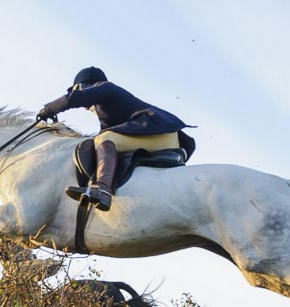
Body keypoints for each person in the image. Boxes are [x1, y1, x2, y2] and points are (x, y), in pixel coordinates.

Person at [37, 67, 193, 211]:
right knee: (103, 138)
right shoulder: (111, 108)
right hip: (170, 138)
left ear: (83, 85)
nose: (86, 107)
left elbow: (75, 98)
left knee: (103, 139)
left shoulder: (105, 87)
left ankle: (103, 189)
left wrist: (48, 109)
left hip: (158, 132)